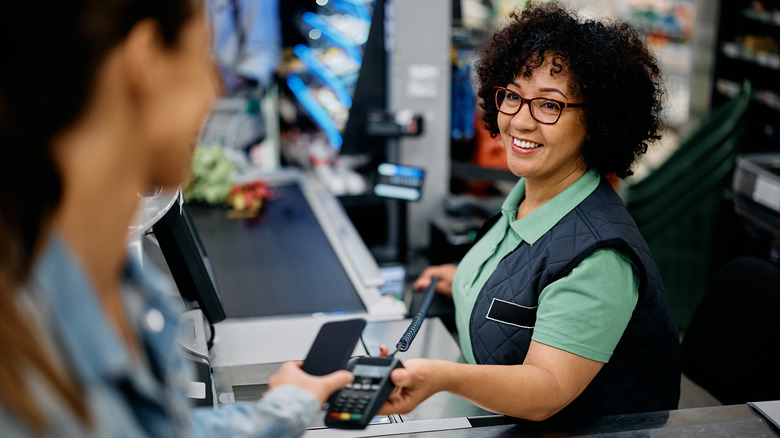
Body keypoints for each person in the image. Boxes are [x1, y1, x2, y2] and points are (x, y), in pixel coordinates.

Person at [0, 1, 351, 436]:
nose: (215, 90)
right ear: (146, 61)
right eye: (203, 56)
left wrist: (283, 411)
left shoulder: (118, 281)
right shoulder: (28, 378)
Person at [380, 2, 681, 421]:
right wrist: (465, 279)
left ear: (597, 121)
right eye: (513, 96)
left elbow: (548, 387)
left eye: (549, 105)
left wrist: (441, 378)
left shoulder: (599, 259)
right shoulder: (523, 201)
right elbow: (520, 281)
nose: (520, 121)